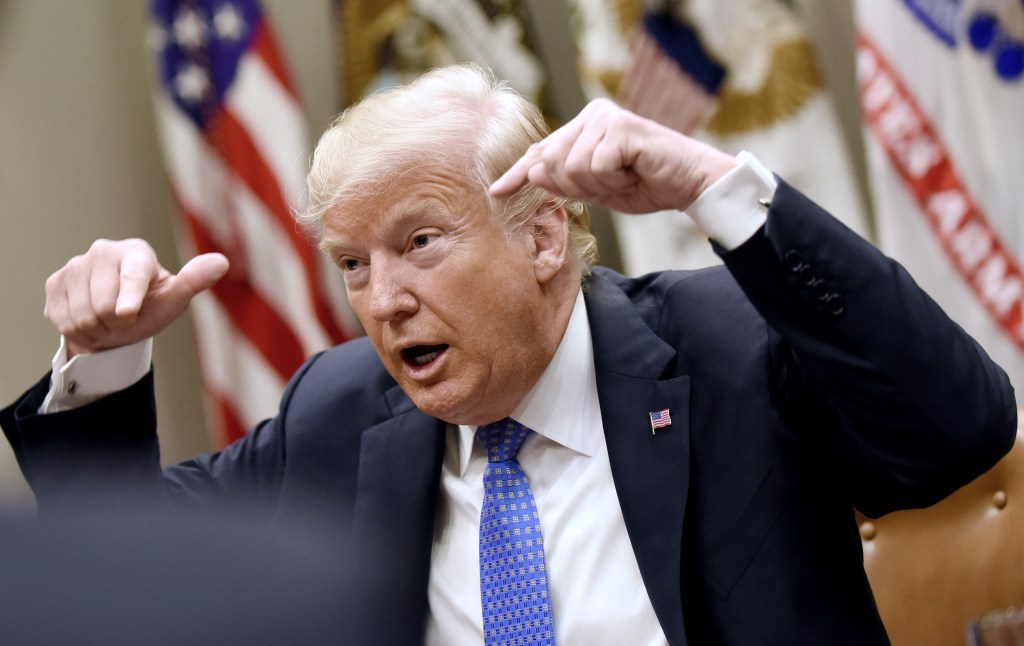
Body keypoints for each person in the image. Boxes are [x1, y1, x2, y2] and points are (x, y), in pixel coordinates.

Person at [1, 63, 1016, 645]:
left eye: (419, 243)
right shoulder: (342, 408)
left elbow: (955, 429)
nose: (382, 299)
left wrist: (718, 189)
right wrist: (105, 362)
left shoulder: (726, 349)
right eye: (352, 262)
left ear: (539, 236)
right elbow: (140, 566)